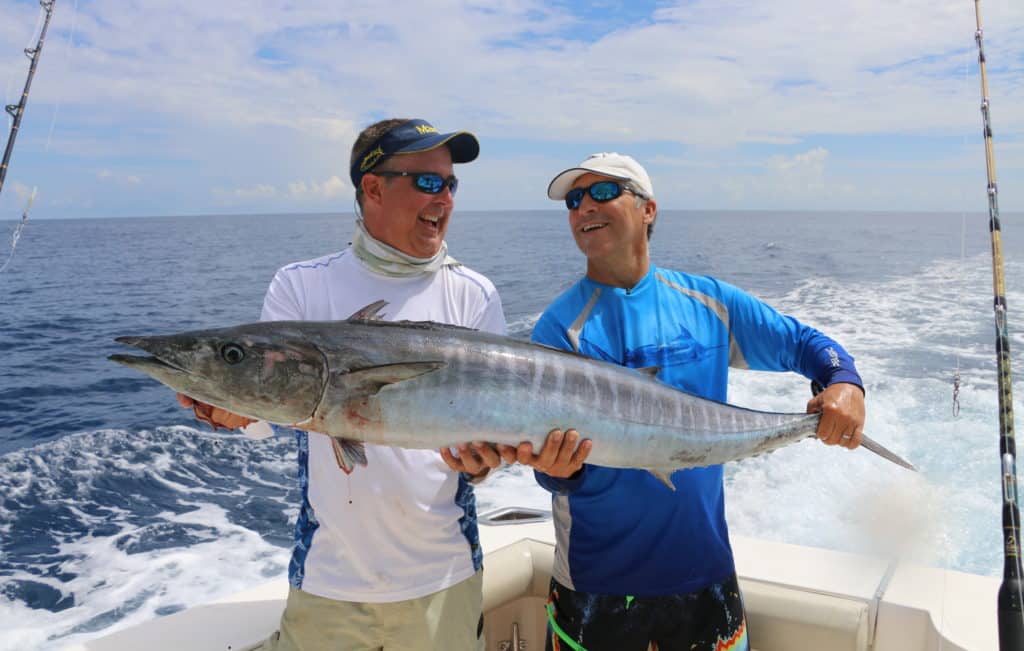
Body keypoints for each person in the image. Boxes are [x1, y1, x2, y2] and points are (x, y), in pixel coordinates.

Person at [177, 117, 527, 650]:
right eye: (428, 182)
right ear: (373, 187)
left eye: (450, 184)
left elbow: (494, 430)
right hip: (327, 581)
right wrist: (226, 409)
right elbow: (267, 404)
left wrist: (485, 462)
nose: (446, 199)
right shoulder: (302, 285)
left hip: (444, 576)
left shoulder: (473, 294)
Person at [520, 152, 866, 651]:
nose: (583, 208)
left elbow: (806, 345)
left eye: (602, 192)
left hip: (706, 577)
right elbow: (548, 469)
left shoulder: (708, 303)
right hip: (596, 586)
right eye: (573, 200)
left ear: (648, 209)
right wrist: (557, 468)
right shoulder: (559, 328)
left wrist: (844, 382)